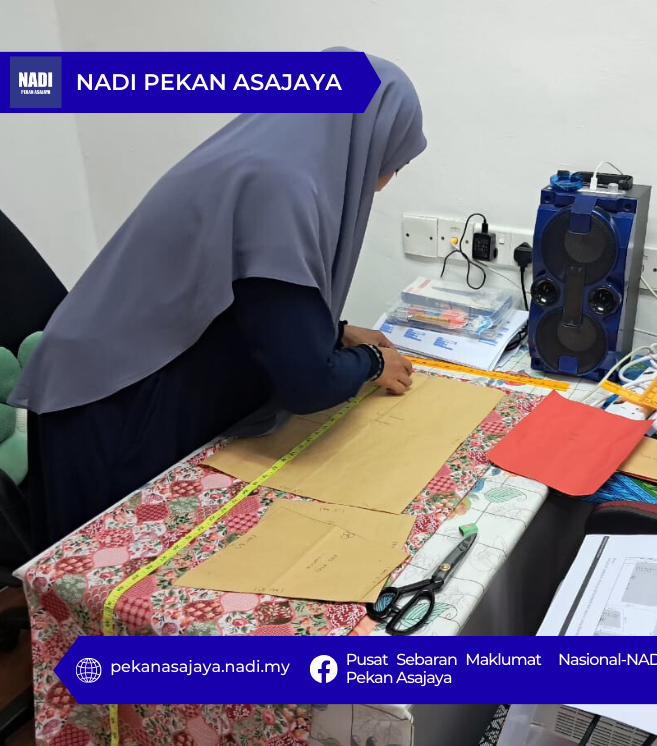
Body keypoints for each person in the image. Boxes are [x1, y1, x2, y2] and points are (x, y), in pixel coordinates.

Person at [10, 50, 426, 551]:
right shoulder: (282, 186)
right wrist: (373, 362)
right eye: (396, 162)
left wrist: (334, 334)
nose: (385, 179)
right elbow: (307, 384)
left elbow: (246, 300)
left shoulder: (260, 159)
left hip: (116, 375)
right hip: (111, 406)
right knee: (115, 578)